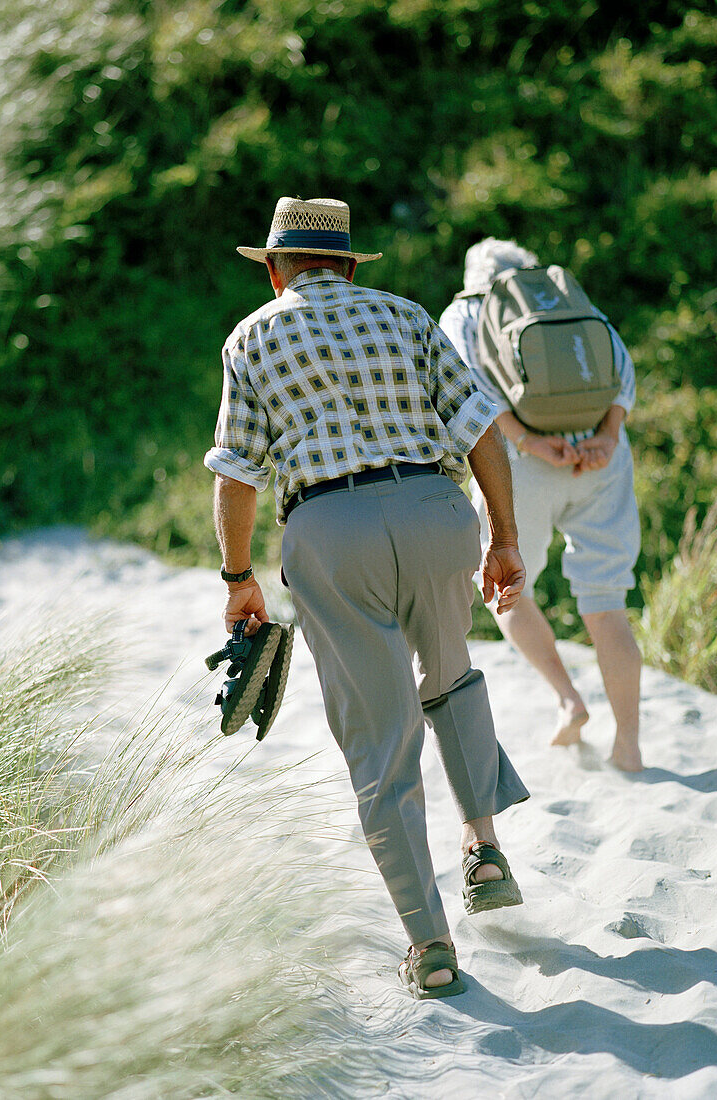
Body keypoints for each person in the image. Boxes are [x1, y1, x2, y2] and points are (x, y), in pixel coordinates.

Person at [204, 197, 530, 999]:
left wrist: (239, 578)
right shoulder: (406, 315)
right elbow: (481, 429)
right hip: (434, 513)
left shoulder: (251, 334)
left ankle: (430, 945)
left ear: (276, 269)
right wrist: (504, 538)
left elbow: (236, 471)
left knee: (380, 743)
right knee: (451, 677)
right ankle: (482, 848)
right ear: (349, 265)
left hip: (329, 529)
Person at [439, 238, 643, 772]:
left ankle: (567, 699)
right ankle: (629, 745)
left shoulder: (465, 312)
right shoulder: (564, 300)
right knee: (606, 602)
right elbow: (621, 368)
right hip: (603, 456)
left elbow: (469, 392)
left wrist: (530, 442)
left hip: (519, 464)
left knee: (508, 583)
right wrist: (606, 435)